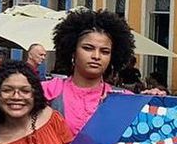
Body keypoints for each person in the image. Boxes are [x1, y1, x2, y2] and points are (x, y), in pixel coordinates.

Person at [42, 8, 145, 136]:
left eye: (105, 51)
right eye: (88, 48)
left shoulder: (125, 99)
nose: (96, 56)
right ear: (72, 51)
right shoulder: (47, 91)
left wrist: (158, 103)